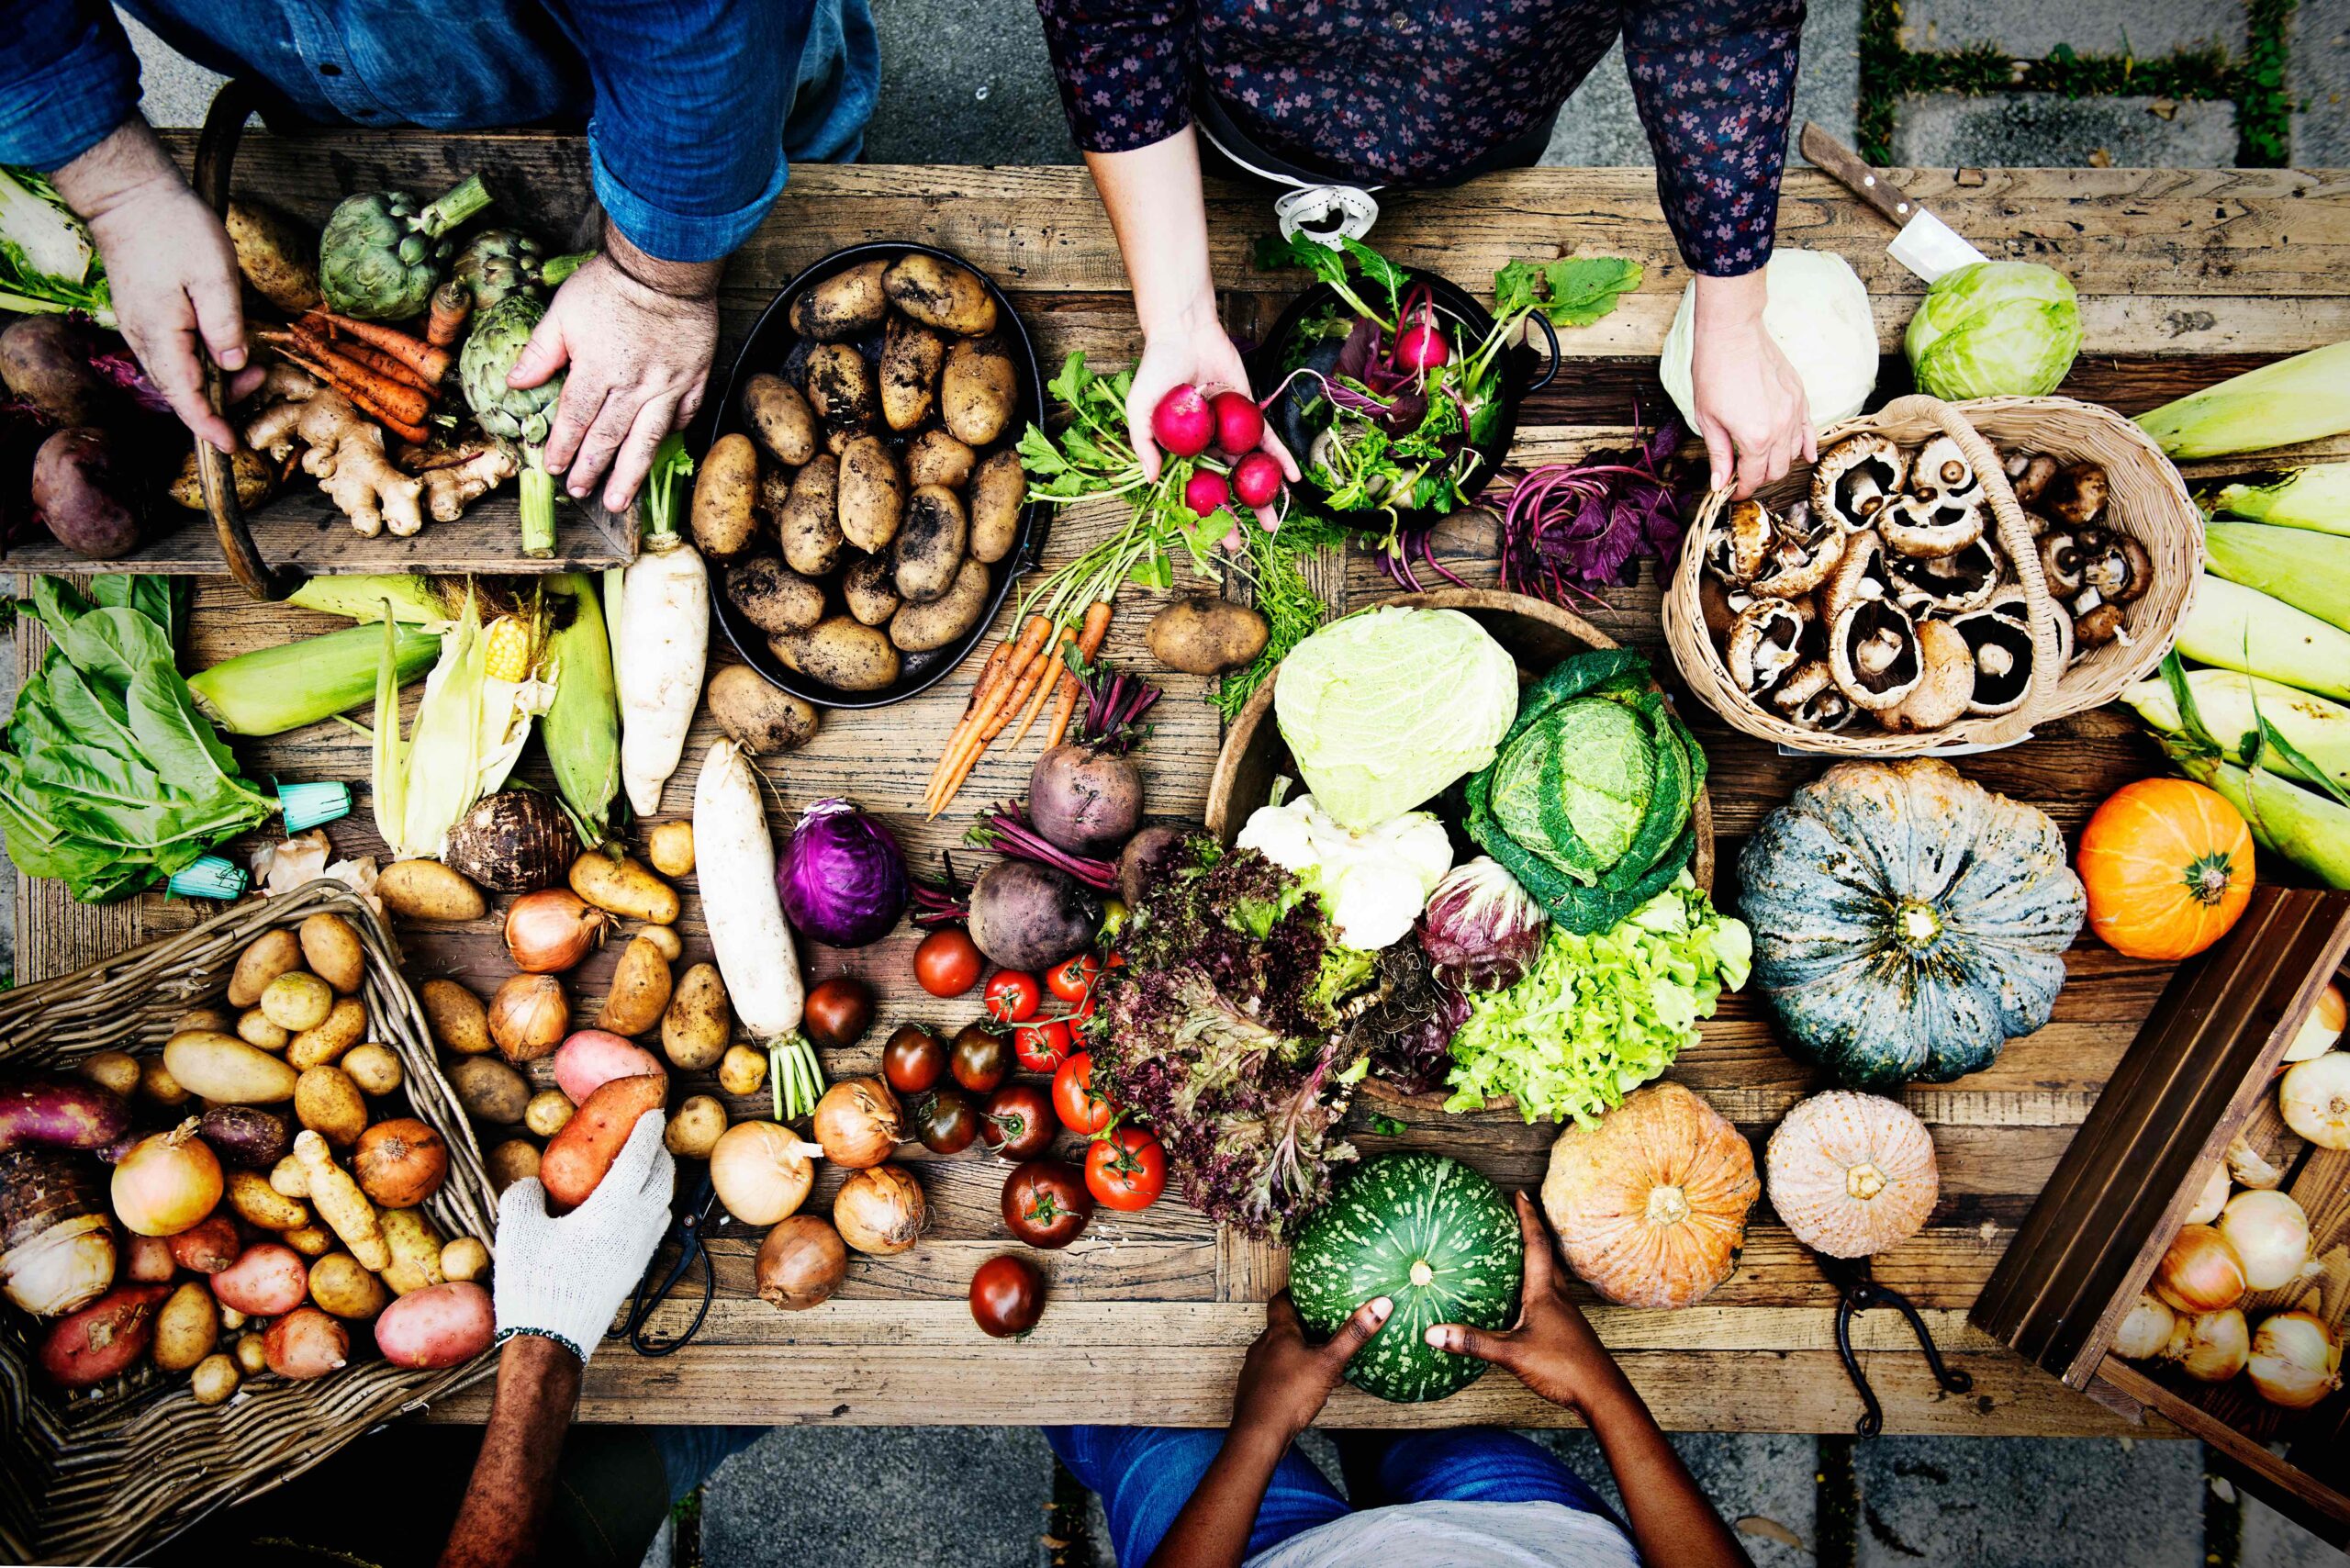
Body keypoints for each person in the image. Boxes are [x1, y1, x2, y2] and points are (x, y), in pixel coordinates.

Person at [1, 0, 878, 511]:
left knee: (788, 202)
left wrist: (658, 280)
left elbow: (703, 20)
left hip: (702, 93)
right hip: (331, 101)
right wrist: (118, 191)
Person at [1032, 0, 1817, 500]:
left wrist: (1734, 317)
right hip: (1233, 114)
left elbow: (1720, 25)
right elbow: (1111, 26)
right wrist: (1176, 316)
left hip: (1485, 116)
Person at [1048, 1191, 1754, 1568]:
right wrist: (1600, 1389)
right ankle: (1370, 1441)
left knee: (1115, 1404)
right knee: (1409, 1437)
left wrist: (1262, 1431)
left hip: (1270, 1554)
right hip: (1521, 1533)